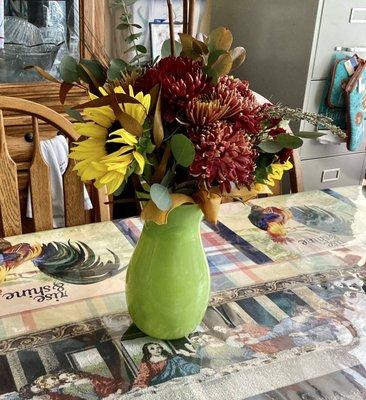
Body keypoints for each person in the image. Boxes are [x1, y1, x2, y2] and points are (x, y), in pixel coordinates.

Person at [132, 342, 200, 390]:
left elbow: (183, 365)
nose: (156, 350)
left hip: (177, 379)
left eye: (158, 347)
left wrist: (196, 368)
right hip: (159, 383)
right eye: (152, 348)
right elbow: (143, 375)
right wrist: (140, 386)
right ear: (148, 351)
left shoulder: (172, 358)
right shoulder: (147, 363)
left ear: (161, 349)